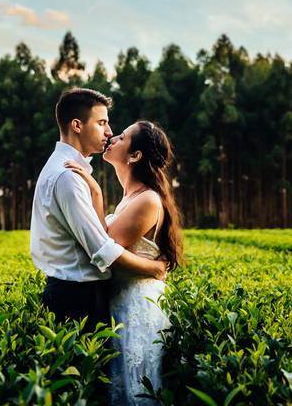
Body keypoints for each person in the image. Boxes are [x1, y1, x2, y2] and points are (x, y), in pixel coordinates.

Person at [65, 120, 184, 405]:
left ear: (134, 156)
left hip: (137, 305)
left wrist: (94, 192)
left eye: (121, 137)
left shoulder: (147, 200)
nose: (112, 138)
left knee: (137, 389)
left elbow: (106, 248)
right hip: (123, 300)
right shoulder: (131, 197)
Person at [30, 88, 168, 333]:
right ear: (77, 125)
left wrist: (96, 194)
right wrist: (155, 268)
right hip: (77, 298)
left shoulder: (66, 171)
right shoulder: (67, 177)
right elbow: (102, 249)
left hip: (78, 293)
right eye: (102, 122)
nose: (109, 131)